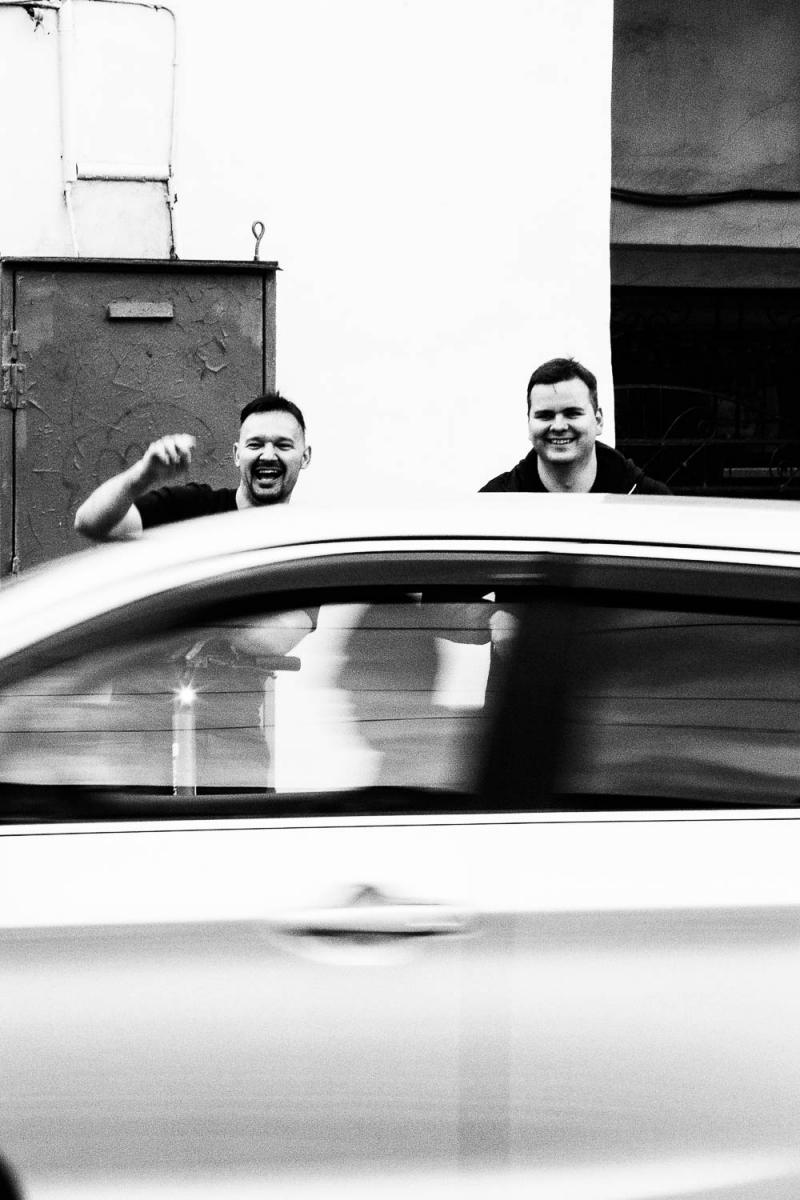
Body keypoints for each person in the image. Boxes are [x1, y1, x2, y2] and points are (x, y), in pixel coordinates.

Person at [74, 391, 311, 540]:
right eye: (255, 444)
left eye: (283, 445)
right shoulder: (191, 510)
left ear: (305, 457)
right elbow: (89, 524)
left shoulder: (309, 540)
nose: (268, 455)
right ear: (237, 455)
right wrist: (142, 475)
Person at [480, 357, 670, 495]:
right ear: (529, 425)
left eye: (572, 413)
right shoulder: (493, 504)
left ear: (598, 421)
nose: (558, 426)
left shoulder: (650, 501)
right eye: (545, 415)